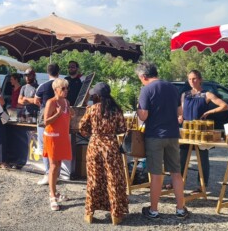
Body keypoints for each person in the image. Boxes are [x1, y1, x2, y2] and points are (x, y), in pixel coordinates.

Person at [136, 62, 189, 220]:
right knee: (176, 173)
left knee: (156, 175)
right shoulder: (173, 88)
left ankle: (154, 210)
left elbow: (143, 116)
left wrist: (138, 108)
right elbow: (180, 113)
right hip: (173, 135)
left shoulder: (146, 89)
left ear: (144, 76)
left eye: (140, 78)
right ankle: (180, 209)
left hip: (155, 136)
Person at [79, 82, 128, 225]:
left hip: (94, 145)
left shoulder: (91, 109)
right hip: (111, 147)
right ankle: (116, 215)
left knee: (94, 179)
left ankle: (89, 213)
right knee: (114, 179)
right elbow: (122, 128)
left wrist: (93, 133)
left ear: (97, 95)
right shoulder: (117, 110)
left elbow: (82, 127)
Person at [179, 69, 228, 192]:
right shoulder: (185, 95)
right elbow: (181, 110)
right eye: (190, 79)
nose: (192, 81)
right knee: (182, 159)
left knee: (202, 160)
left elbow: (225, 106)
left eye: (194, 78)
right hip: (187, 131)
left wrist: (209, 111)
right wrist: (179, 116)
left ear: (200, 79)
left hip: (201, 132)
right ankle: (179, 183)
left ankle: (202, 185)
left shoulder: (207, 94)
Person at [42, 78, 74, 211]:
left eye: (67, 88)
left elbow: (66, 119)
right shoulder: (51, 102)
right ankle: (52, 195)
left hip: (62, 137)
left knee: (58, 166)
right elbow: (45, 121)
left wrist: (70, 114)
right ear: (56, 90)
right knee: (54, 166)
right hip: (53, 137)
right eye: (63, 88)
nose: (66, 91)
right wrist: (58, 114)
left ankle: (54, 191)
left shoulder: (66, 102)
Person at [35, 63, 60, 185]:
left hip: (46, 117)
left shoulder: (43, 86)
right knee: (57, 146)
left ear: (47, 72)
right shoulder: (63, 85)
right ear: (58, 72)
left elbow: (36, 100)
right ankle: (56, 173)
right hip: (60, 117)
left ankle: (48, 173)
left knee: (45, 147)